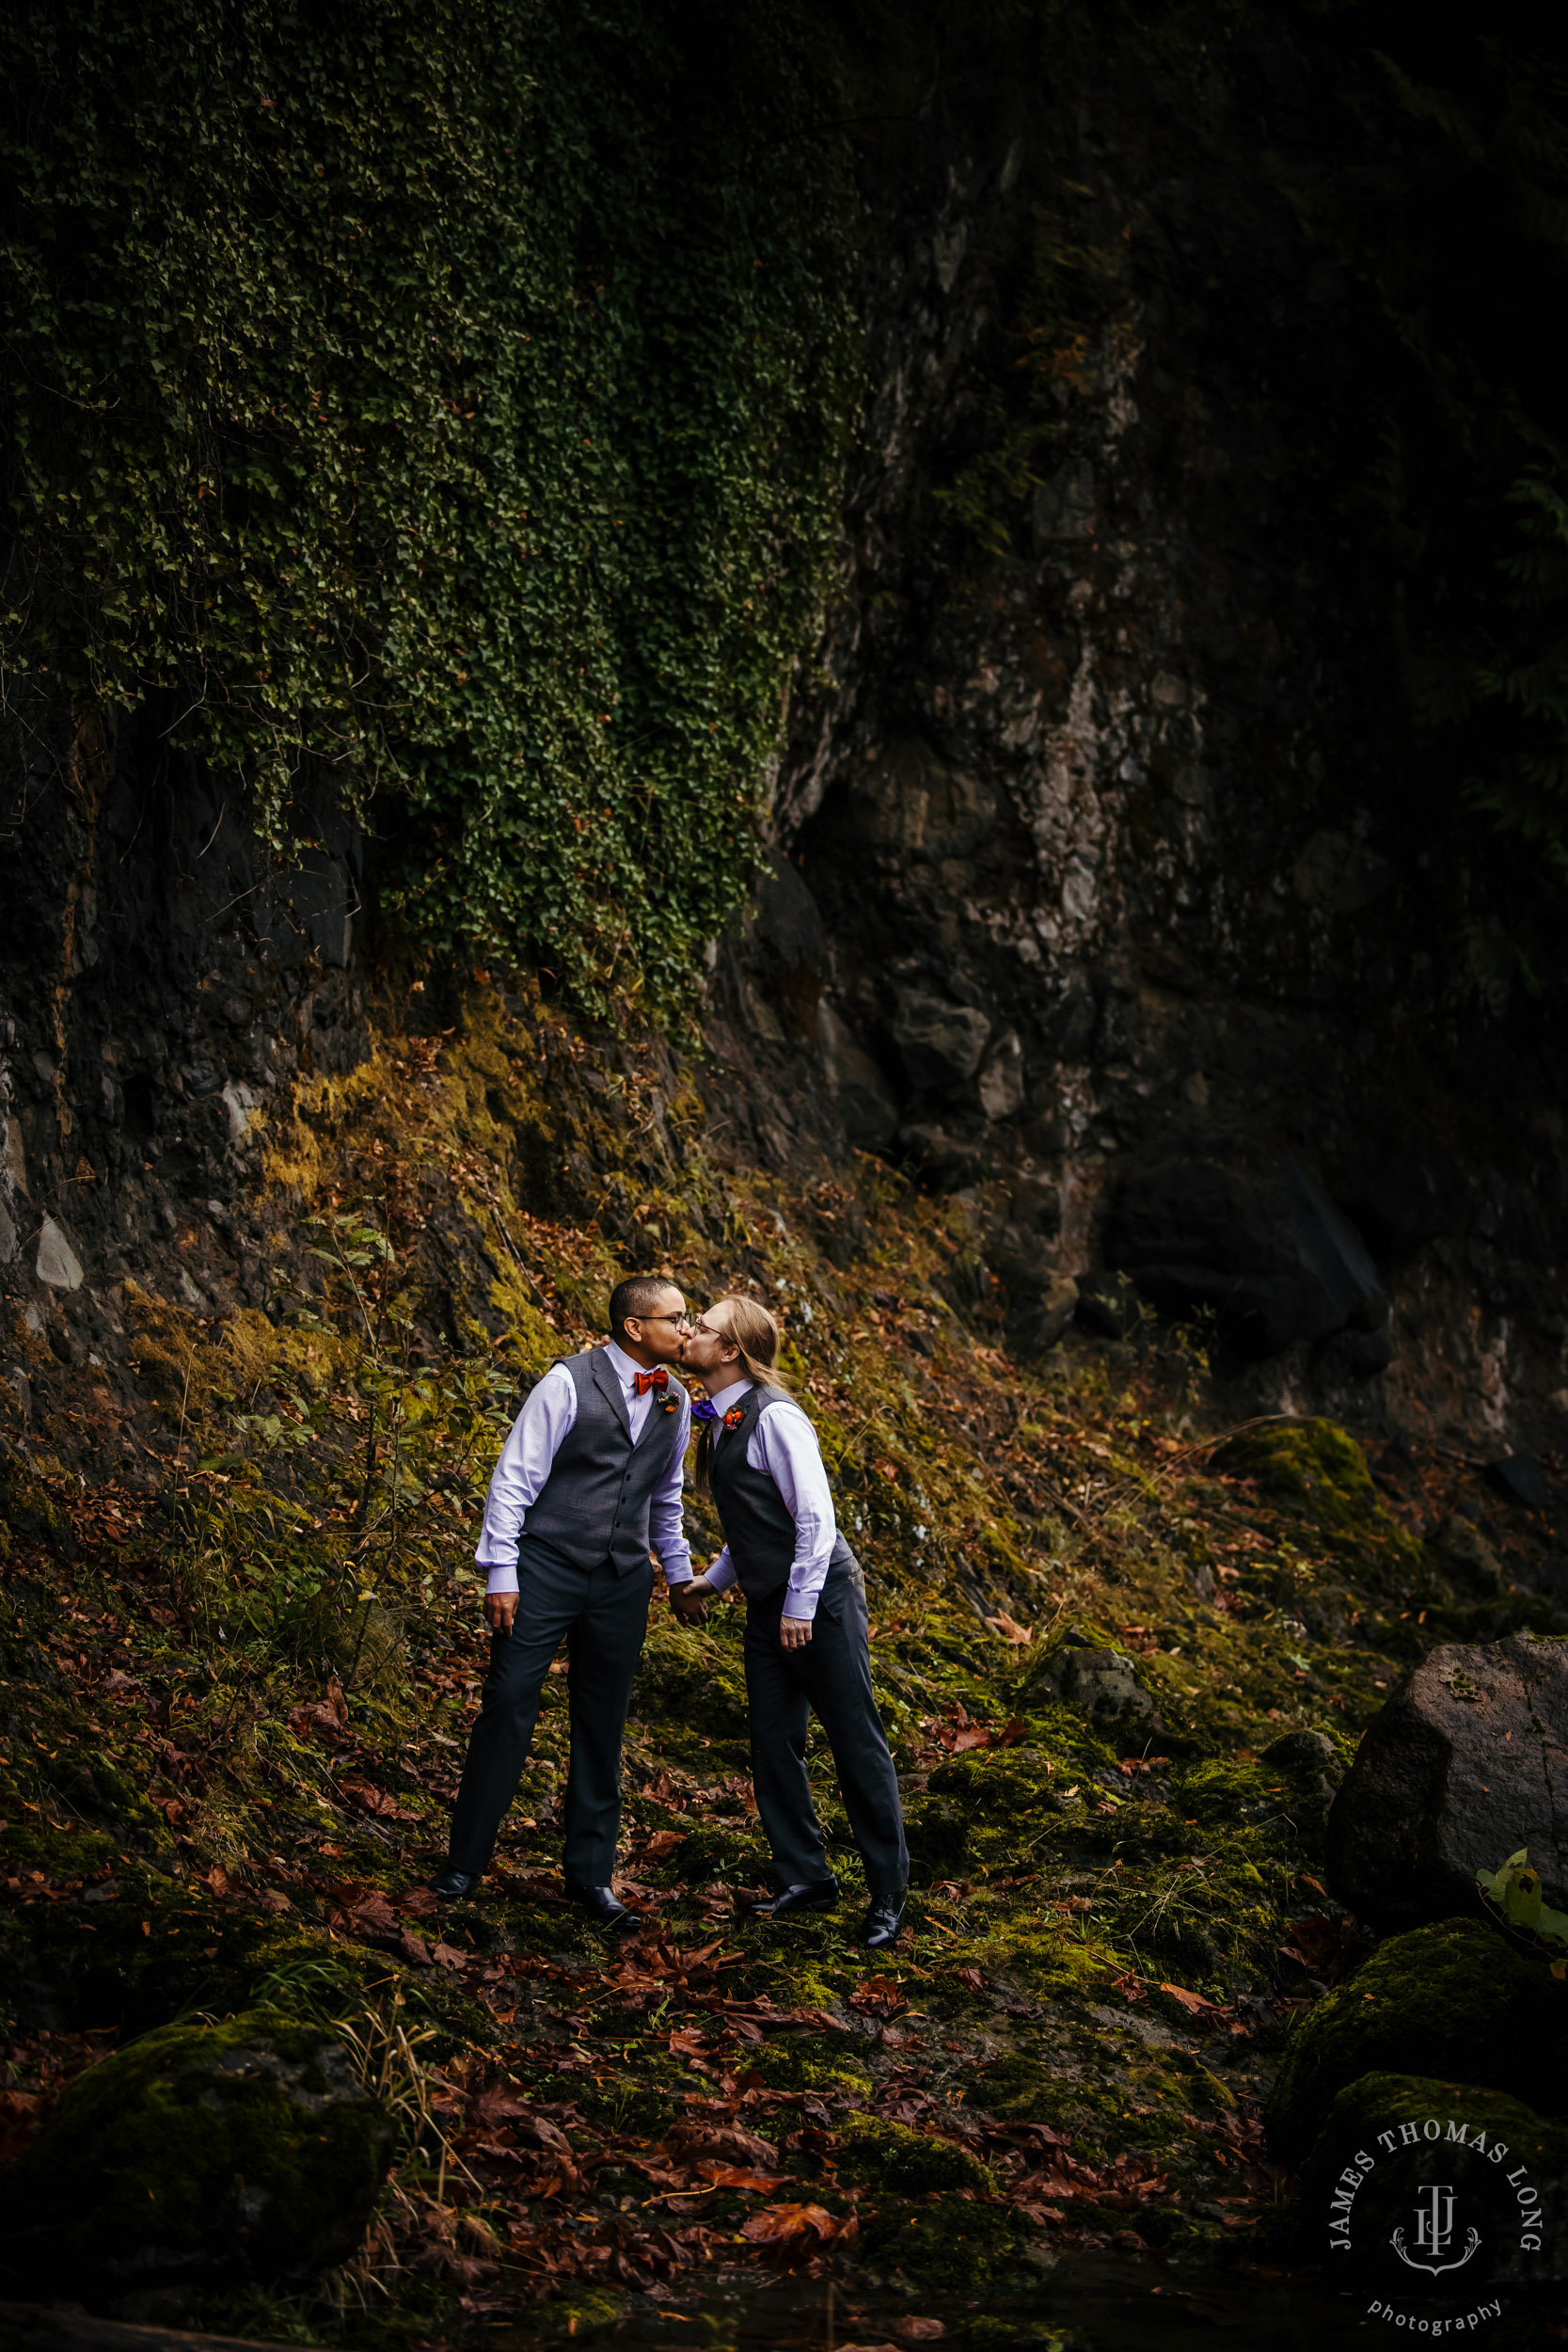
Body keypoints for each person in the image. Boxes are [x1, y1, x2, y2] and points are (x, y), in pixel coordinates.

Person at [431, 1275, 693, 1925]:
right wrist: (501, 1571)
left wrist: (679, 1574)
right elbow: (514, 1477)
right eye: (676, 1318)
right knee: (509, 1701)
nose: (687, 1329)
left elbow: (667, 1495)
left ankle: (590, 1877)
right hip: (545, 1566)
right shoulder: (566, 1381)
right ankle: (465, 1863)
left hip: (623, 1580)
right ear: (635, 1327)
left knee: (602, 1723)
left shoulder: (677, 1399)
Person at [671, 1295, 908, 1949]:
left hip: (819, 1597)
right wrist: (715, 1582)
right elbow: (756, 1522)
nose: (688, 1333)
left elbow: (814, 1520)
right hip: (770, 1599)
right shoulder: (719, 1419)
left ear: (729, 1352)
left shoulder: (777, 1419)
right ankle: (806, 1876)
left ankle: (888, 1892)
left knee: (854, 1738)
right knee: (773, 1740)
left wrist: (800, 1607)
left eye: (703, 1327)